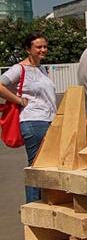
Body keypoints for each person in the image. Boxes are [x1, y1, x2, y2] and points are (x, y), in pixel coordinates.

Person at [0, 32, 57, 202]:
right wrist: (18, 100)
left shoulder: (42, 68)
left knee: (46, 165)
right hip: (33, 121)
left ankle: (42, 204)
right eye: (38, 47)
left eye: (45, 46)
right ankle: (33, 206)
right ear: (28, 49)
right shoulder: (20, 68)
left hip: (48, 120)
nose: (43, 50)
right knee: (36, 166)